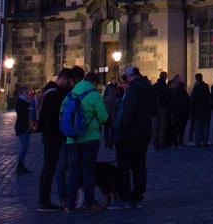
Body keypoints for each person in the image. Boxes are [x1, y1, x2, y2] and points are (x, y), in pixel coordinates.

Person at [62, 69, 109, 213]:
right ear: (94, 83)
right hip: (90, 138)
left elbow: (62, 115)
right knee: (88, 172)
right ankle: (89, 204)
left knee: (74, 171)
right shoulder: (94, 95)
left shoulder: (70, 94)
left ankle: (70, 205)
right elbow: (104, 117)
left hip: (72, 139)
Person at [112, 65, 155, 210]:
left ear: (129, 77)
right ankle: (138, 197)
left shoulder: (134, 89)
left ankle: (125, 197)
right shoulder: (149, 87)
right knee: (139, 165)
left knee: (124, 165)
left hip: (131, 134)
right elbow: (155, 109)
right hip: (145, 132)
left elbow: (128, 112)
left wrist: (121, 130)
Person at [37, 67, 74, 211]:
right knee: (49, 168)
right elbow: (52, 117)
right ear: (63, 78)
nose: (69, 85)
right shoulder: (53, 94)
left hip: (49, 135)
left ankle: (44, 200)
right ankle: (44, 201)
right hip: (52, 135)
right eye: (69, 82)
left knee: (48, 167)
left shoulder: (49, 91)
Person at [14, 85, 33, 173]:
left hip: (25, 126)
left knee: (26, 146)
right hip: (22, 127)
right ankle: (20, 164)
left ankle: (21, 164)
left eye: (28, 92)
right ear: (21, 94)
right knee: (24, 146)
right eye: (26, 93)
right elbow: (25, 114)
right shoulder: (20, 102)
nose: (28, 94)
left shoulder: (25, 102)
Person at [189, 73, 212, 147]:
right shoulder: (206, 86)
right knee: (205, 126)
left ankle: (198, 141)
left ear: (196, 79)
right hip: (205, 109)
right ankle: (205, 141)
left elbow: (194, 99)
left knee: (198, 126)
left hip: (198, 110)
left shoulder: (196, 87)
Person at [168, 75, 190, 148]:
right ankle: (180, 141)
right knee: (181, 128)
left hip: (177, 111)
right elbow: (187, 101)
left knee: (176, 128)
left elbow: (172, 101)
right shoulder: (183, 91)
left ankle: (175, 142)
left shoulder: (176, 91)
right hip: (183, 111)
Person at [152, 72, 170, 150]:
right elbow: (167, 97)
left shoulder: (155, 86)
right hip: (163, 107)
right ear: (164, 77)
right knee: (163, 126)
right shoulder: (165, 86)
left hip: (156, 107)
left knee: (156, 126)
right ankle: (161, 143)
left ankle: (155, 143)